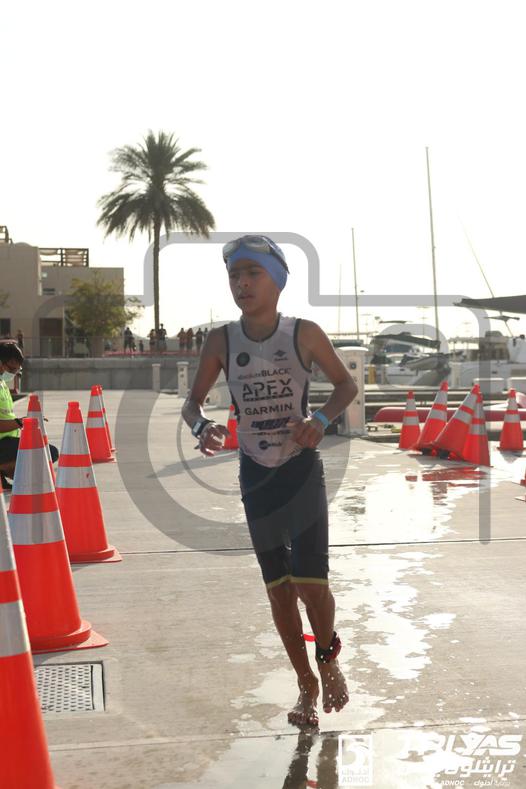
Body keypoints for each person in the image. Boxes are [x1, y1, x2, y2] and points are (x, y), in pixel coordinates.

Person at [182, 235, 357, 727]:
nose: (241, 283)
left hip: (300, 468)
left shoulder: (304, 333)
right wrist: (202, 427)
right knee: (279, 589)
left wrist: (319, 420)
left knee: (310, 583)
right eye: (234, 276)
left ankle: (327, 658)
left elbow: (346, 385)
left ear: (277, 280)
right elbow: (192, 403)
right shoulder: (221, 341)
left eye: (252, 273)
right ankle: (305, 684)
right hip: (256, 474)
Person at [0, 342, 58, 490]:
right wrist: (21, 422)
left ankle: (4, 472)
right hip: (2, 443)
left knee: (48, 453)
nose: (14, 373)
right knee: (46, 453)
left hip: (6, 442)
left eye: (17, 369)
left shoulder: (2, 384)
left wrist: (25, 422)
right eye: (11, 369)